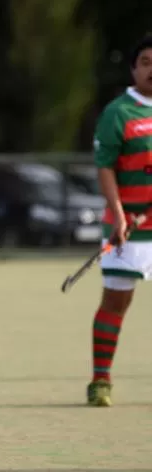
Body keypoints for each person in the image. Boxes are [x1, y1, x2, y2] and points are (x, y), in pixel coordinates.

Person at [89, 34, 152, 406]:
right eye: (145, 62)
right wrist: (119, 213)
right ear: (134, 69)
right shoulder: (119, 113)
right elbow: (105, 168)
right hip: (129, 229)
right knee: (116, 301)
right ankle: (100, 380)